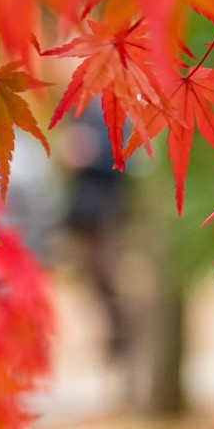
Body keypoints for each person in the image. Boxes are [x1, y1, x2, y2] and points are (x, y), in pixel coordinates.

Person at [57, 99, 131, 365]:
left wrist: (94, 155)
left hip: (107, 211)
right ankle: (111, 339)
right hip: (81, 211)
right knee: (89, 278)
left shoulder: (119, 107)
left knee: (107, 276)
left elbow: (132, 159)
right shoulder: (76, 109)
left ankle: (121, 339)